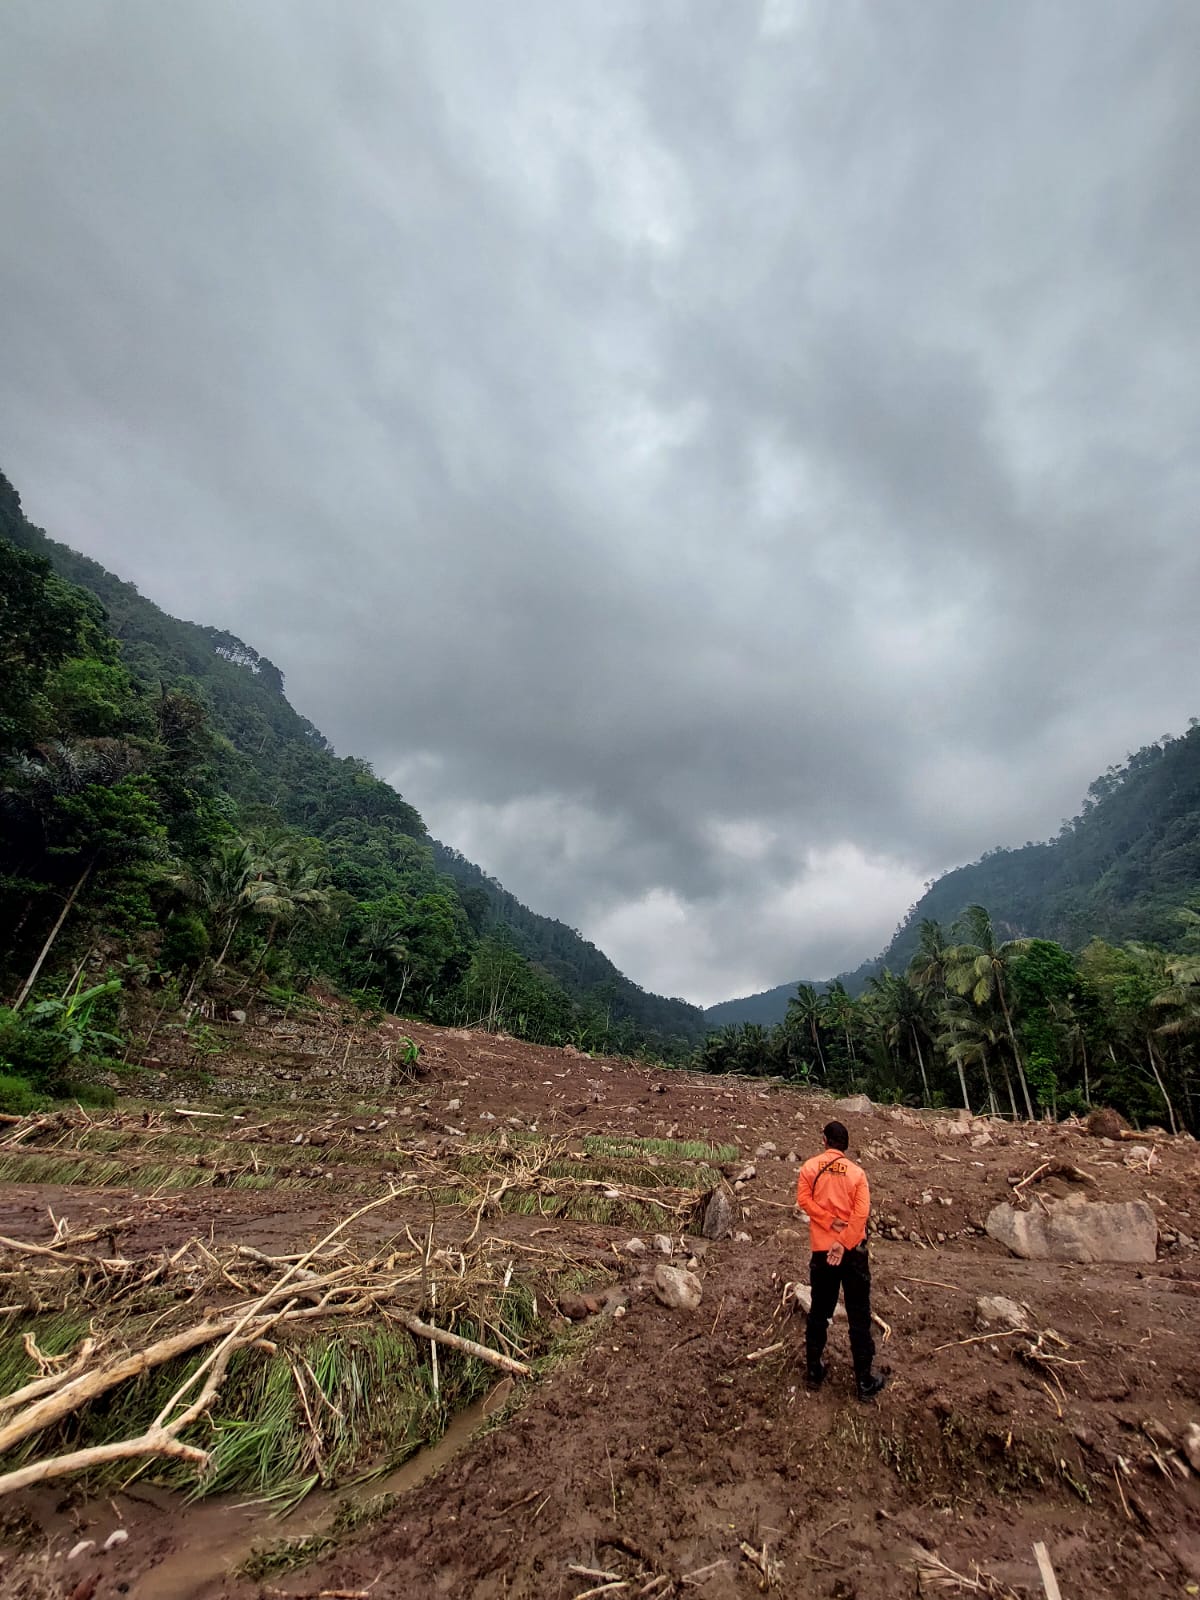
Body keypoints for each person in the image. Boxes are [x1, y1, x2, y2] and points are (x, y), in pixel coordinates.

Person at [795, 1120, 887, 1400]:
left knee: (819, 1312)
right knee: (859, 1315)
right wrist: (844, 1242)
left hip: (822, 1252)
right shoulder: (858, 1174)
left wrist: (828, 1222)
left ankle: (813, 1373)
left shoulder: (809, 1168)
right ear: (845, 1145)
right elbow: (860, 1217)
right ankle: (864, 1383)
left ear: (824, 1140)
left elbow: (803, 1200)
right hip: (853, 1253)